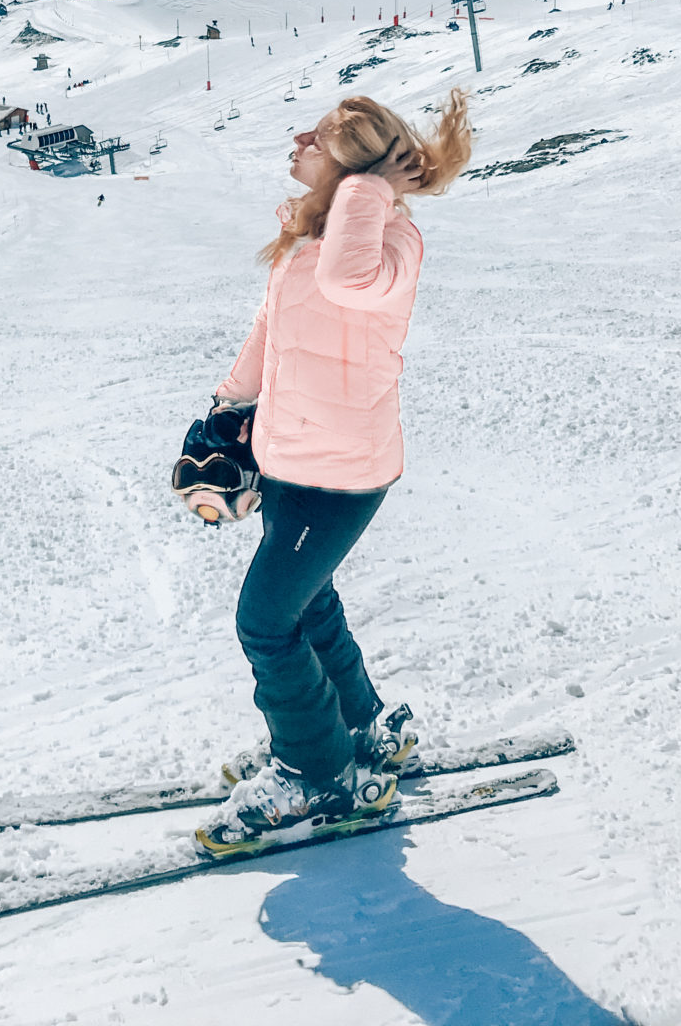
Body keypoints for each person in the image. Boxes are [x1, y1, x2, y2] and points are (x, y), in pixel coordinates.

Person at [194, 91, 473, 857]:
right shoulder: (315, 239)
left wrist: (369, 183)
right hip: (294, 458)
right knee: (307, 605)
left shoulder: (388, 242)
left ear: (351, 167)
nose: (293, 143)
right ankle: (358, 728)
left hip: (340, 472)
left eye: (312, 137)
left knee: (265, 621)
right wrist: (226, 409)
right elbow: (270, 329)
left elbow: (352, 284)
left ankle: (315, 771)